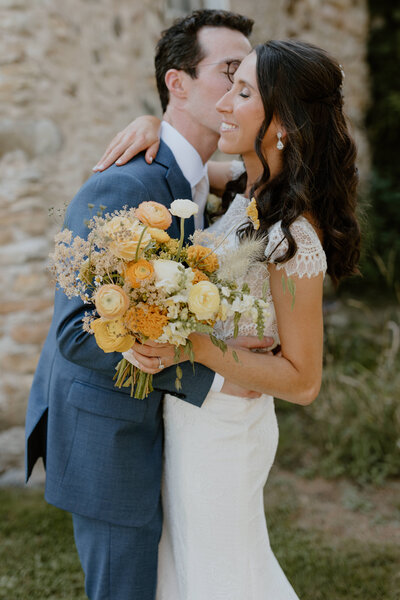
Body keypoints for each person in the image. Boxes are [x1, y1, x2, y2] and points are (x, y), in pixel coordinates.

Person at [98, 41, 360, 599]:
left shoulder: (293, 236)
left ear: (283, 123)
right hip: (193, 420)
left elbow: (304, 380)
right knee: (192, 570)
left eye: (243, 93)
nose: (223, 104)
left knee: (225, 576)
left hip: (226, 434)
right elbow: (187, 160)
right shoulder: (250, 189)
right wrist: (151, 123)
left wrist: (196, 346)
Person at [25, 10, 266, 600]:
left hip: (165, 435)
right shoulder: (125, 185)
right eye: (228, 73)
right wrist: (211, 376)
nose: (238, 92)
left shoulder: (206, 179)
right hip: (110, 440)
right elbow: (77, 332)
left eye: (247, 80)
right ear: (176, 84)